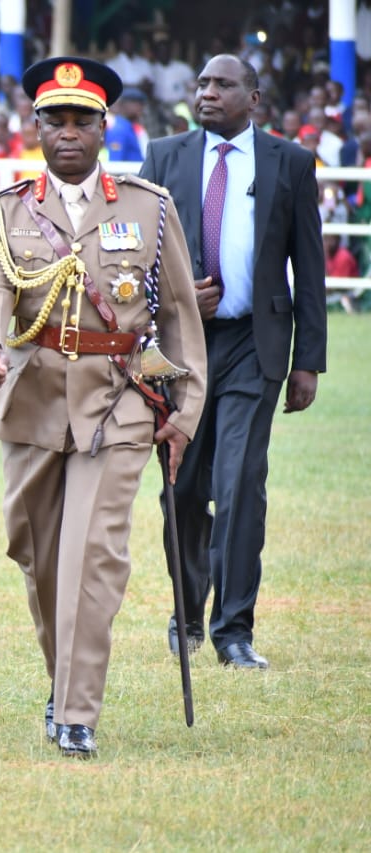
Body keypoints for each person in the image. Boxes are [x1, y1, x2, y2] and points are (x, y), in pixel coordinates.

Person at [0, 57, 207, 758]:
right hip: (34, 400)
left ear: (106, 127)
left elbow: (180, 316)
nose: (68, 133)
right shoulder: (6, 208)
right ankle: (61, 678)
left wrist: (183, 412)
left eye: (82, 120)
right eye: (55, 120)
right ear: (35, 127)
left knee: (91, 556)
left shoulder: (148, 207)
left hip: (118, 399)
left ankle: (77, 710)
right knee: (38, 555)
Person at [139, 55, 326, 670]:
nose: (208, 93)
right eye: (201, 84)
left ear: (254, 96)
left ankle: (233, 630)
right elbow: (133, 261)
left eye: (222, 85)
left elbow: (311, 268)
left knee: (240, 481)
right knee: (183, 487)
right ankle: (187, 613)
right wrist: (177, 297)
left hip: (256, 342)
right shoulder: (163, 157)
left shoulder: (291, 163)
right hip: (181, 349)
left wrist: (309, 360)